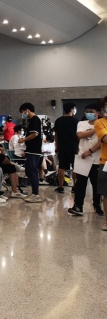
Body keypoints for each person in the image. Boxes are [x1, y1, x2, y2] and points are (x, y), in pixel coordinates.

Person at [68, 103, 103, 217]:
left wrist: (90, 151)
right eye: (87, 111)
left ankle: (97, 205)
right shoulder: (82, 123)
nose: (89, 113)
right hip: (83, 158)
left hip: (97, 159)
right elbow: (80, 135)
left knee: (96, 185)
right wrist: (96, 129)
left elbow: (101, 141)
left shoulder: (103, 123)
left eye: (91, 111)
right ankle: (78, 206)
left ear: (98, 113)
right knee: (80, 184)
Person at [19, 103, 44, 203]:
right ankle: (34, 192)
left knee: (31, 170)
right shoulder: (33, 120)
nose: (23, 114)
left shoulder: (35, 119)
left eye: (23, 112)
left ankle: (36, 194)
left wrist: (23, 139)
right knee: (29, 170)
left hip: (34, 150)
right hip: (31, 150)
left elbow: (34, 134)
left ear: (27, 110)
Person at [53, 102, 79, 193]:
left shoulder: (58, 120)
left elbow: (56, 135)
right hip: (74, 147)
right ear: (72, 110)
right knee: (75, 167)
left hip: (62, 147)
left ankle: (60, 187)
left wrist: (57, 146)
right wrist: (79, 146)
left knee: (62, 167)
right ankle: (75, 187)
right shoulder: (76, 121)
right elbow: (78, 135)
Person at [93, 96, 107, 231]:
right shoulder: (100, 123)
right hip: (106, 161)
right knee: (106, 193)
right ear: (103, 109)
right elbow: (105, 138)